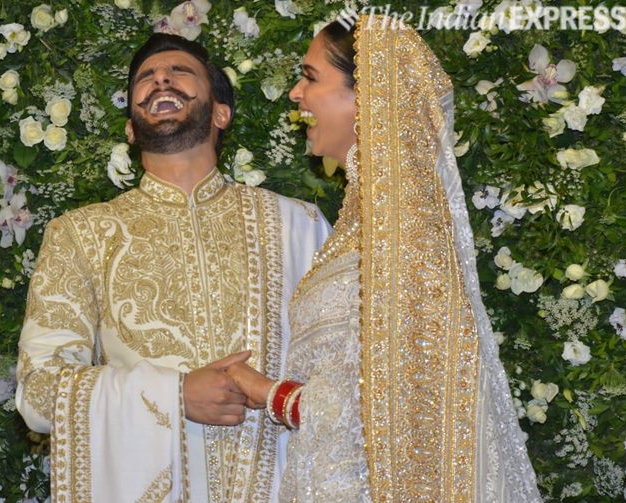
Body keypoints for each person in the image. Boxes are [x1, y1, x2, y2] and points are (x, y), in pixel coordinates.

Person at [225, 15, 543, 502]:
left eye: (310, 78)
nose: (295, 93)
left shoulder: (407, 229)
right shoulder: (365, 221)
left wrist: (264, 391)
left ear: (367, 96)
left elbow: (392, 403)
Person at [15, 33, 330, 502]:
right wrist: (175, 394)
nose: (160, 78)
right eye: (145, 78)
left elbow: (346, 379)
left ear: (221, 113)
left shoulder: (298, 225)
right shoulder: (80, 234)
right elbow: (38, 392)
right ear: (129, 128)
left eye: (180, 72)